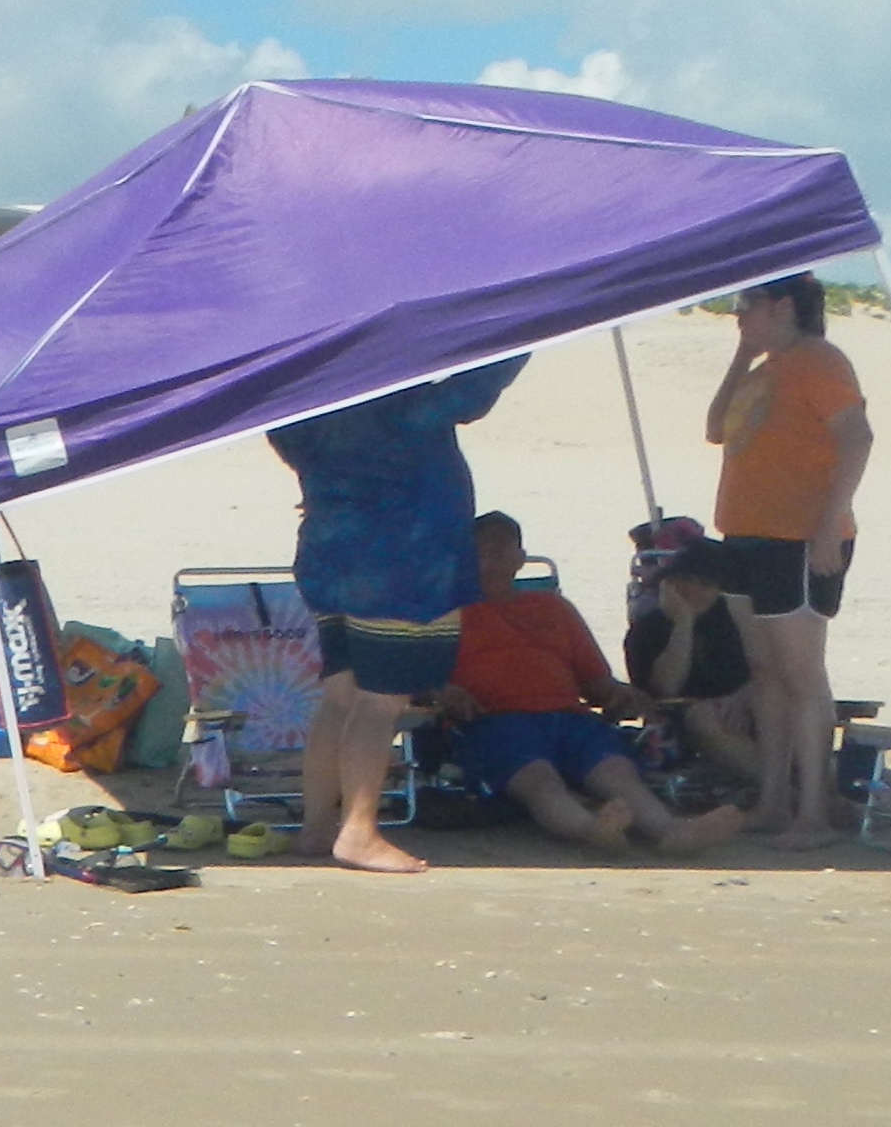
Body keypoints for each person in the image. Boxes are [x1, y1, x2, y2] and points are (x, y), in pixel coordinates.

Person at [265, 357, 524, 874]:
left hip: (328, 553)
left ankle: (317, 824)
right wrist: (533, 333)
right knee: (379, 704)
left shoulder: (304, 403)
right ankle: (358, 830)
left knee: (339, 697)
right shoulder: (401, 404)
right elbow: (473, 393)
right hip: (404, 563)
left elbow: (284, 437)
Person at [441, 514, 748, 854]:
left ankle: (671, 831)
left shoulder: (553, 607)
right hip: (495, 718)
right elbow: (418, 678)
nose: (492, 557)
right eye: (483, 549)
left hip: (569, 716)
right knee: (540, 781)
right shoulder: (444, 611)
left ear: (520, 558)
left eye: (502, 549)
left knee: (617, 772)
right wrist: (442, 690)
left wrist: (617, 692)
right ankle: (592, 830)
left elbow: (594, 678)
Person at [704, 275, 875, 846]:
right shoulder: (768, 368)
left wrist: (829, 525)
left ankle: (812, 812)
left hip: (796, 538)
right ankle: (774, 802)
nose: (737, 316)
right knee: (766, 674)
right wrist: (743, 354)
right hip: (746, 534)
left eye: (744, 306)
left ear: (781, 307)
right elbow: (714, 428)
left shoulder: (819, 361)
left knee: (802, 675)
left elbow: (857, 436)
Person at [621, 535, 758, 785]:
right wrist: (684, 622)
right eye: (684, 580)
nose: (692, 590)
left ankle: (809, 788)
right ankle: (784, 791)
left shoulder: (736, 621)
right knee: (702, 718)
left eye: (704, 585)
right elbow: (665, 689)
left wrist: (741, 699)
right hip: (684, 725)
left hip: (746, 706)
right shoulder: (647, 630)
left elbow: (769, 669)